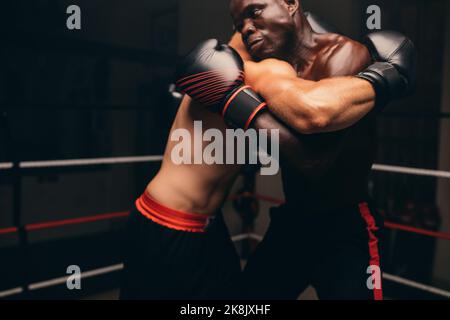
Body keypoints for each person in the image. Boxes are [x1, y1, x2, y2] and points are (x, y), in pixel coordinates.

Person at [120, 1, 415, 299]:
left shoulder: (334, 57)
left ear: (290, 4)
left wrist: (384, 78)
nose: (246, 28)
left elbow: (316, 150)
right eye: (238, 24)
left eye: (255, 12)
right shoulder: (248, 65)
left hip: (344, 224)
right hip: (292, 219)